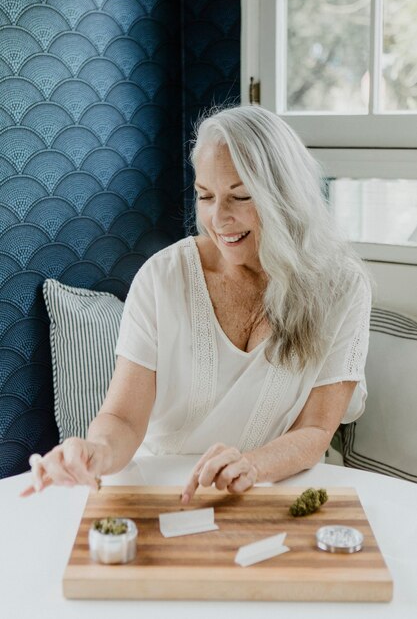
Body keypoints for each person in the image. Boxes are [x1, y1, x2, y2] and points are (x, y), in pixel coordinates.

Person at [21, 105, 371, 503]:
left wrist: (252, 465)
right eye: (205, 196)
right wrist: (96, 452)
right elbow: (122, 418)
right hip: (162, 489)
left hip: (273, 486)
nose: (217, 218)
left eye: (239, 197)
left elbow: (314, 432)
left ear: (286, 197)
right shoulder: (162, 278)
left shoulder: (341, 287)